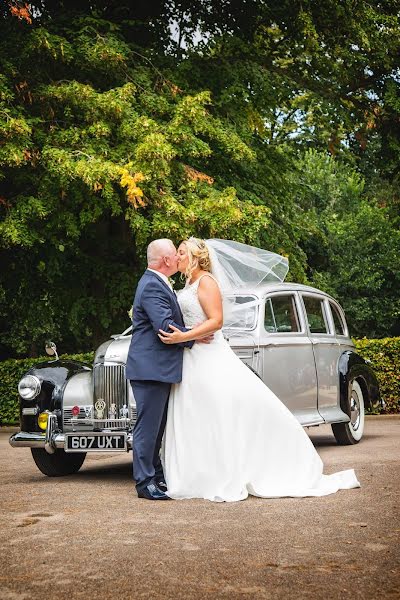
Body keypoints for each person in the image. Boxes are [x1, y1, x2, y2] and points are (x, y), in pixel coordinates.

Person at [158, 237, 360, 502]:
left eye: (182, 253)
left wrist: (184, 337)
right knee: (197, 412)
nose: (178, 257)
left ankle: (235, 469)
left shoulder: (206, 282)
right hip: (192, 356)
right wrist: (187, 336)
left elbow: (216, 321)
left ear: (196, 257)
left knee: (223, 410)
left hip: (208, 355)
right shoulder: (188, 284)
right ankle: (197, 473)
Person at [125, 238, 198, 500]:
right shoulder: (152, 286)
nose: (179, 259)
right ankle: (145, 483)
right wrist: (197, 336)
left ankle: (155, 476)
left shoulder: (156, 282)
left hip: (156, 368)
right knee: (147, 428)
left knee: (156, 428)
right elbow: (165, 327)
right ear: (166, 260)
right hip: (150, 369)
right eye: (175, 256)